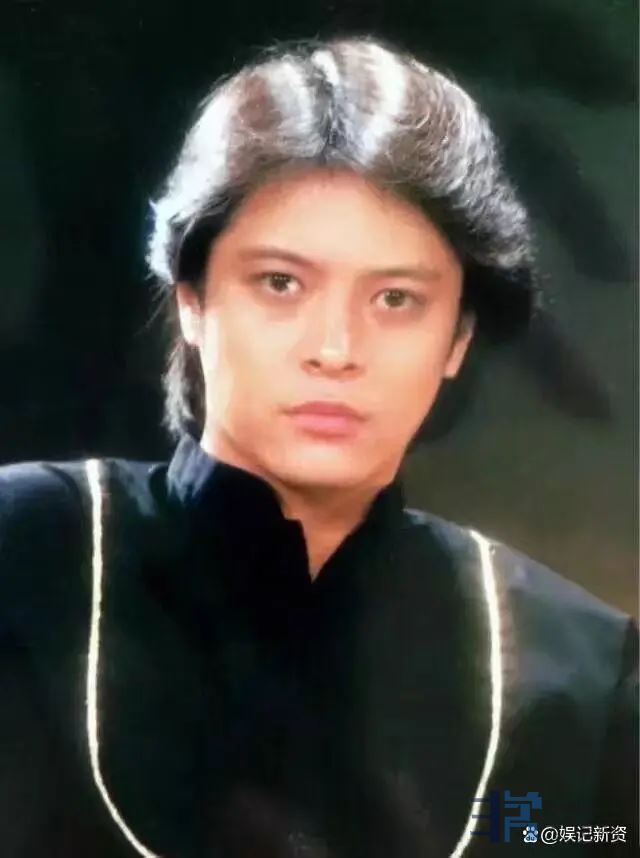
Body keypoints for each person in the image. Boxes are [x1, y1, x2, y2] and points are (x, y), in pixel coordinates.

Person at [0, 36, 636, 858]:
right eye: (280, 284)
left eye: (396, 299)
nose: (335, 349)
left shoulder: (582, 679)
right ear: (191, 300)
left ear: (458, 337)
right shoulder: (26, 560)